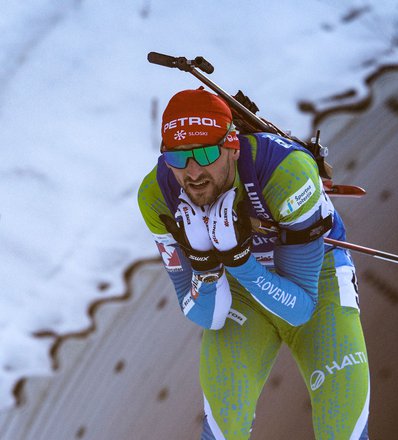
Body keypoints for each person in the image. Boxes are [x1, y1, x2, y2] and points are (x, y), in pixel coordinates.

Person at [137, 88, 370, 439]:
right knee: (222, 429)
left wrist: (240, 260)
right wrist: (203, 261)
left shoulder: (287, 173)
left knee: (342, 431)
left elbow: (301, 309)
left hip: (315, 281)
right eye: (178, 158)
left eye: (205, 153)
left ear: (232, 146)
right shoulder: (157, 196)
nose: (193, 171)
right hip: (241, 293)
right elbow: (205, 315)